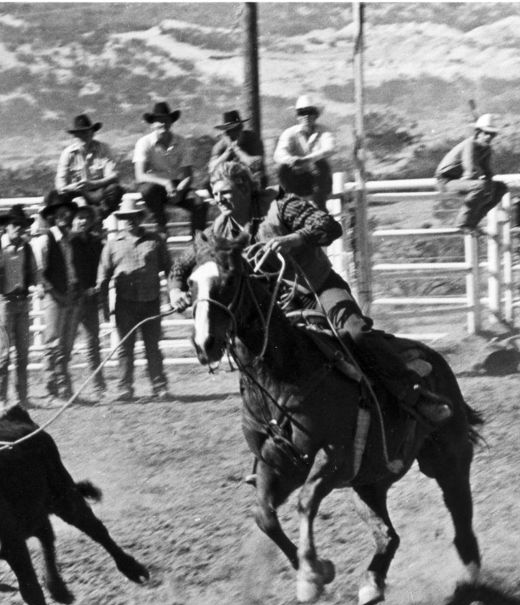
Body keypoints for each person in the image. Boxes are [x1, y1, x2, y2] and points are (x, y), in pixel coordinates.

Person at [171, 161, 452, 426]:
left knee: (356, 333)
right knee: (253, 357)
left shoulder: (282, 206)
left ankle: (414, 395)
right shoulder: (218, 231)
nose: (219, 200)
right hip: (273, 307)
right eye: (215, 194)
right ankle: (267, 436)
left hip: (318, 288)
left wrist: (292, 239)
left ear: (245, 188)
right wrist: (175, 291)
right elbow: (182, 266)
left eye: (226, 192)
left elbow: (329, 225)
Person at [97, 195, 175, 401]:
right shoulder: (112, 245)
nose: (130, 221)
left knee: (153, 346)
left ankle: (159, 386)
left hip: (151, 301)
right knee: (125, 347)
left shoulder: (154, 241)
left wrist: (173, 294)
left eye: (134, 216)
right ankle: (125, 388)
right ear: (121, 219)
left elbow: (170, 268)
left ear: (140, 217)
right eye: (126, 217)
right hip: (125, 304)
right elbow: (103, 278)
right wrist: (104, 306)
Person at [0, 204, 38, 412]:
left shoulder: (27, 248)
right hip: (3, 303)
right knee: (3, 352)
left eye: (22, 225)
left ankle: (21, 397)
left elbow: (34, 273)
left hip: (22, 301)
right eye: (15, 224)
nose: (19, 228)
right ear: (6, 227)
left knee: (23, 352)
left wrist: (37, 286)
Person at [133, 101, 208, 238]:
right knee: (147, 190)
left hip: (176, 184)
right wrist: (165, 183)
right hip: (155, 186)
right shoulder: (144, 143)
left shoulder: (182, 142)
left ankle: (198, 242)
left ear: (171, 122)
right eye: (159, 120)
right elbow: (140, 175)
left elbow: (188, 175)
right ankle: (161, 229)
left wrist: (179, 190)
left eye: (166, 120)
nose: (163, 123)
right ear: (153, 124)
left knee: (199, 203)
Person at [32, 191, 80, 403]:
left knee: (66, 343)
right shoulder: (45, 240)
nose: (64, 216)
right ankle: (52, 388)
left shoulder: (69, 240)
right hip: (54, 296)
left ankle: (64, 386)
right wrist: (54, 292)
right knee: (52, 342)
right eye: (59, 212)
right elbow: (39, 272)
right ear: (52, 216)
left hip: (68, 293)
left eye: (67, 212)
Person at [435, 113, 510, 236]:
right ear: (477, 132)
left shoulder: (486, 149)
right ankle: (463, 224)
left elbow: (487, 171)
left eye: (492, 134)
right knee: (480, 186)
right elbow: (469, 170)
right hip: (446, 181)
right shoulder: (469, 144)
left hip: (463, 182)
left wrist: (490, 186)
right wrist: (484, 186)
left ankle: (473, 222)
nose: (489, 137)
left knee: (501, 188)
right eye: (486, 133)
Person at [64, 202, 108, 400]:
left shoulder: (95, 242)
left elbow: (101, 267)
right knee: (66, 345)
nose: (83, 221)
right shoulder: (66, 241)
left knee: (93, 343)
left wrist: (97, 287)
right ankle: (65, 387)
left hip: (90, 297)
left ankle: (98, 387)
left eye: (87, 218)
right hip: (71, 299)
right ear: (72, 220)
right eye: (79, 217)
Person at [54, 114, 123, 224]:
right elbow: (60, 185)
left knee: (115, 189)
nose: (83, 136)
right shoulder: (67, 153)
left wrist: (93, 184)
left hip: (99, 192)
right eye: (79, 133)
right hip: (77, 193)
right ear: (74, 136)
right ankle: (65, 226)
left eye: (86, 132)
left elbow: (113, 176)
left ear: (92, 133)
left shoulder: (104, 148)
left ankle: (96, 218)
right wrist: (73, 187)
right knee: (54, 196)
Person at [273, 95, 336, 211]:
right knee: (283, 169)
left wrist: (307, 160)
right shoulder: (290, 133)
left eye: (310, 112)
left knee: (322, 165)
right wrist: (291, 160)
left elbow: (329, 148)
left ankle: (321, 208)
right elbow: (279, 154)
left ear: (316, 115)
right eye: (302, 112)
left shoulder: (324, 131)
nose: (306, 116)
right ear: (298, 116)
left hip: (320, 181)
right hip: (299, 181)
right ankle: (290, 205)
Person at [207, 110, 267, 213]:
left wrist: (235, 148)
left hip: (252, 180)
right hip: (229, 183)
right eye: (228, 131)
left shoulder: (252, 139)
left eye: (235, 129)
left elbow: (255, 164)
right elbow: (211, 169)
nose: (232, 134)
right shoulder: (219, 147)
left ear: (241, 128)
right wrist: (226, 153)